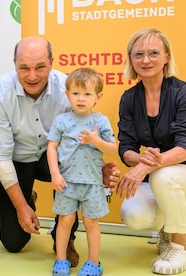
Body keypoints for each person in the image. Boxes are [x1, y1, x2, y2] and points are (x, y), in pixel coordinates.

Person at [0, 36, 120, 267]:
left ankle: (65, 237)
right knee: (13, 242)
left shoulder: (68, 88)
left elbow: (80, 144)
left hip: (60, 158)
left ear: (51, 62)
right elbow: (1, 157)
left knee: (73, 176)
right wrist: (21, 206)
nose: (32, 76)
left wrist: (97, 171)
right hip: (17, 160)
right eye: (24, 68)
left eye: (40, 67)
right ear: (14, 64)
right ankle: (28, 198)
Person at [115, 28, 186, 275]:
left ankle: (181, 247)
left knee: (163, 175)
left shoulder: (183, 92)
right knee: (134, 216)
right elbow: (126, 147)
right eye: (138, 54)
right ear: (131, 60)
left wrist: (143, 167)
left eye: (154, 53)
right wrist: (138, 158)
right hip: (160, 175)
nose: (146, 60)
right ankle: (166, 231)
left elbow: (183, 150)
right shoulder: (129, 99)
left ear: (166, 57)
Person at [47, 67, 118, 276]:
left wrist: (96, 141)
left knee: (91, 222)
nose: (81, 99)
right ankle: (61, 260)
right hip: (67, 181)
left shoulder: (100, 121)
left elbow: (114, 150)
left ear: (98, 96)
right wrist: (54, 174)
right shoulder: (62, 120)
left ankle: (93, 262)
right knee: (65, 221)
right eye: (76, 93)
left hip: (92, 183)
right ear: (67, 95)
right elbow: (52, 147)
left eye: (87, 94)